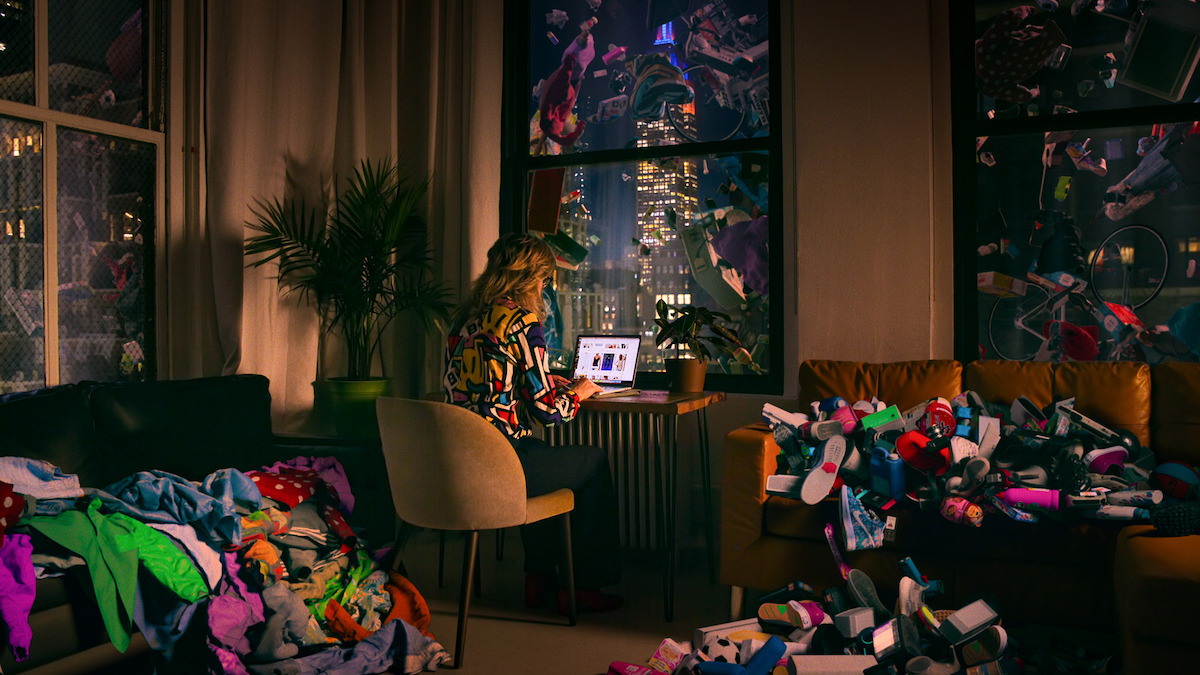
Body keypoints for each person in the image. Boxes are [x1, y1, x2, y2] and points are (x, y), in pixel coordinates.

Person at [443, 232, 622, 612]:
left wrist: (542, 378)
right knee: (593, 461)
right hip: (501, 464)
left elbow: (487, 383)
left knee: (538, 450)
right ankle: (583, 585)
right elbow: (547, 412)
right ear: (533, 280)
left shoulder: (462, 319)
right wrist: (579, 392)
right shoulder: (522, 320)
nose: (545, 289)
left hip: (460, 460)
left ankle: (539, 577)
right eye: (545, 281)